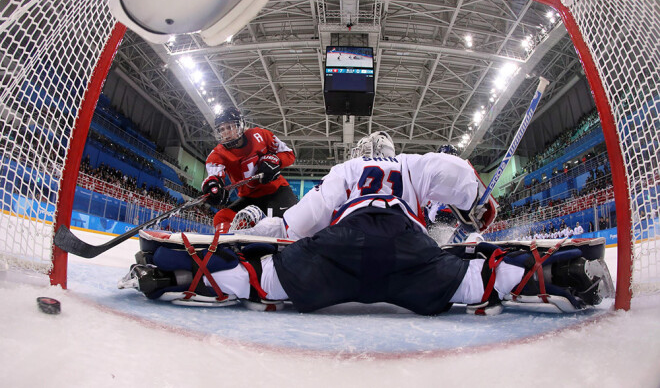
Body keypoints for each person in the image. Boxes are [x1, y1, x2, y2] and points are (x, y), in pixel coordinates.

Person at [121, 131, 613, 315]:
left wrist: (263, 233)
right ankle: (562, 274)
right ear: (392, 154)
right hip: (406, 250)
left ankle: (173, 273)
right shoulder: (411, 165)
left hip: (341, 246)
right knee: (471, 281)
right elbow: (454, 172)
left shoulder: (346, 170)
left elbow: (304, 219)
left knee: (265, 279)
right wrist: (481, 203)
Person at [202, 106, 298, 232]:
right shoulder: (217, 155)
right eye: (222, 129)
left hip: (277, 192)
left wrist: (275, 160)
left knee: (288, 225)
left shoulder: (261, 135)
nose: (226, 133)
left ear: (240, 126)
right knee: (222, 218)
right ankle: (232, 247)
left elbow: (289, 154)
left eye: (230, 127)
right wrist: (212, 187)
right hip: (250, 199)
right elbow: (214, 177)